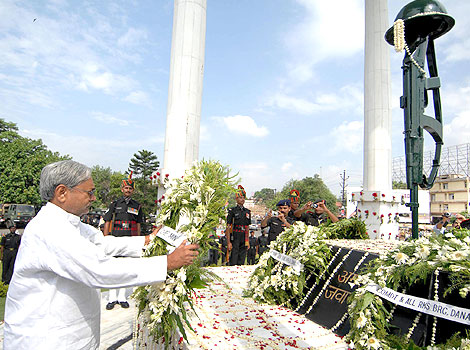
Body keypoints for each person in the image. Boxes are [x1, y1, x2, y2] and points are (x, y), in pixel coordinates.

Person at [4, 160, 199, 350]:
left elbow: (103, 244)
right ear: (62, 192)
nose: (94, 198)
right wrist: (166, 263)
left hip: (73, 335)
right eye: (89, 192)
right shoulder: (49, 229)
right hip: (46, 339)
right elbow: (99, 269)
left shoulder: (71, 224)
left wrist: (147, 239)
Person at [103, 172, 144, 310]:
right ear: (122, 189)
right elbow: (107, 220)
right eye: (126, 188)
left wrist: (138, 241)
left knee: (126, 270)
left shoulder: (137, 206)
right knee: (113, 270)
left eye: (130, 189)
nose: (128, 190)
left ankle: (121, 297)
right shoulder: (115, 204)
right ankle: (111, 297)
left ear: (133, 190)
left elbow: (138, 224)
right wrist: (106, 238)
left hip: (130, 240)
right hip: (116, 239)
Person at [226, 185, 251, 266]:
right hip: (235, 235)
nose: (242, 199)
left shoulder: (247, 211)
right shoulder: (232, 211)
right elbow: (228, 226)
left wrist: (248, 241)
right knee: (234, 257)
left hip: (243, 236)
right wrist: (229, 242)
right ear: (236, 199)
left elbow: (247, 227)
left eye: (244, 197)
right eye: (240, 197)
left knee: (242, 258)